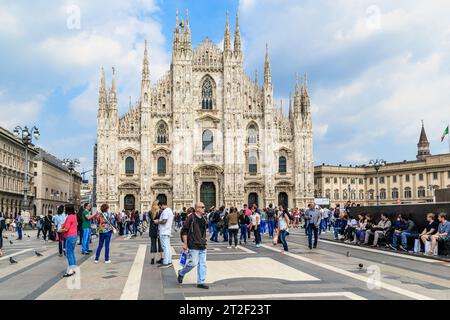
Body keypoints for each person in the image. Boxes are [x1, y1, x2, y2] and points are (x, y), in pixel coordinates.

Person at [177, 202, 209, 289]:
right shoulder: (191, 217)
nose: (204, 208)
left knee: (202, 264)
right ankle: (181, 272)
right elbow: (184, 230)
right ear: (197, 208)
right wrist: (185, 243)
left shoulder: (204, 218)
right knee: (193, 263)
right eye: (202, 207)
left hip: (202, 244)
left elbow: (203, 232)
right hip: (193, 244)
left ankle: (201, 282)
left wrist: (205, 241)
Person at [153, 199, 174, 268]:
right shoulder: (170, 210)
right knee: (168, 247)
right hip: (167, 231)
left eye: (159, 206)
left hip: (164, 231)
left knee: (165, 247)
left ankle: (165, 263)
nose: (159, 208)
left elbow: (164, 221)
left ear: (161, 205)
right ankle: (169, 261)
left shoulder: (165, 211)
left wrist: (157, 221)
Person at [60, 205, 78, 277]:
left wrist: (60, 230)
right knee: (72, 253)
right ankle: (73, 268)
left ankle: (71, 270)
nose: (64, 210)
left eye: (65, 209)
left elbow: (66, 228)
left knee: (69, 253)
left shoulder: (69, 217)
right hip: (74, 235)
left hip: (70, 236)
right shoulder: (74, 216)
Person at [149, 200, 164, 265]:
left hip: (152, 230)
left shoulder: (150, 212)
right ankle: (162, 258)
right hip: (159, 229)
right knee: (160, 244)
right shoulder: (160, 212)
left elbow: (151, 220)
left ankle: (152, 259)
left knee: (153, 244)